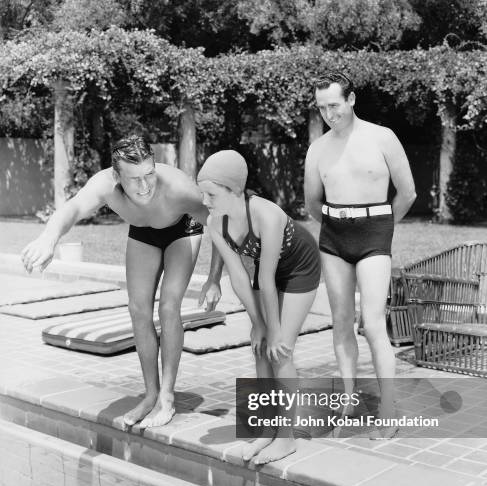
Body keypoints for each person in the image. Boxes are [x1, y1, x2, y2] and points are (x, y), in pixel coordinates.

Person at [21, 135, 222, 429]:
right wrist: (48, 238)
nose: (144, 187)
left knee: (169, 305)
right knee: (138, 309)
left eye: (149, 175)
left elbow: (220, 225)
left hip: (183, 230)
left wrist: (214, 279)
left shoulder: (179, 189)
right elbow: (74, 208)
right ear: (117, 176)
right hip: (143, 231)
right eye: (134, 179)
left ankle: (167, 396)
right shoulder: (105, 185)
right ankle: (150, 393)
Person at [304, 71, 416, 438]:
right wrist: (341, 222)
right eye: (322, 108)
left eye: (334, 105)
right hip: (334, 236)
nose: (328, 114)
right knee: (341, 320)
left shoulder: (382, 137)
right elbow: (312, 203)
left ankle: (388, 407)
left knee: (371, 321)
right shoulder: (318, 148)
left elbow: (408, 192)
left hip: (374, 234)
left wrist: (381, 226)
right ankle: (349, 400)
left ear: (351, 100)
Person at [197, 150, 321, 463]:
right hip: (266, 275)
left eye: (210, 193)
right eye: (202, 194)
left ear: (234, 190)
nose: (205, 201)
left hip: (299, 269)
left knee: (280, 351)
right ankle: (267, 428)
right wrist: (258, 323)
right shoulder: (216, 223)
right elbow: (239, 277)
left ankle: (286, 438)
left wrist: (274, 330)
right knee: (260, 349)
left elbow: (266, 278)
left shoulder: (266, 214)